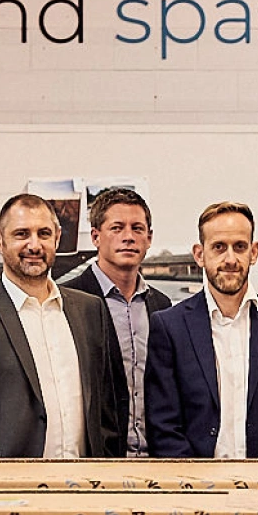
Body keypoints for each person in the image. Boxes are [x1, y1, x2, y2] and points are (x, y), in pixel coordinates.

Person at [0, 193, 121, 467]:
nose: (34, 244)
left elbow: (107, 417)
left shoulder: (90, 310)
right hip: (2, 495)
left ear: (57, 237)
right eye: (21, 234)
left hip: (83, 488)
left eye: (43, 233)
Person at [144, 201, 258, 458]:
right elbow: (163, 427)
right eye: (218, 247)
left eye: (239, 247)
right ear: (200, 254)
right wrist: (200, 486)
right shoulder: (169, 327)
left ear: (254, 252)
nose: (230, 259)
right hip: (196, 489)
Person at [61, 187, 171, 455]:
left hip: (154, 458)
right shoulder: (68, 301)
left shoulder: (161, 306)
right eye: (117, 228)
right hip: (96, 459)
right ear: (96, 237)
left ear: (149, 238)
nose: (128, 238)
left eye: (137, 229)